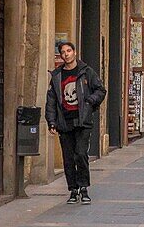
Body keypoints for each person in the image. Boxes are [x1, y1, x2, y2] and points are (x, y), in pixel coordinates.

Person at [45, 41, 106, 204]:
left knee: (80, 153)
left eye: (69, 51)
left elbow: (100, 90)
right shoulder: (57, 76)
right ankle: (73, 189)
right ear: (60, 55)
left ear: (74, 52)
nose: (66, 54)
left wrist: (89, 101)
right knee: (68, 158)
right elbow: (51, 101)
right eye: (63, 52)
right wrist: (51, 121)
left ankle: (83, 187)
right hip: (64, 121)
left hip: (82, 120)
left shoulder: (86, 72)